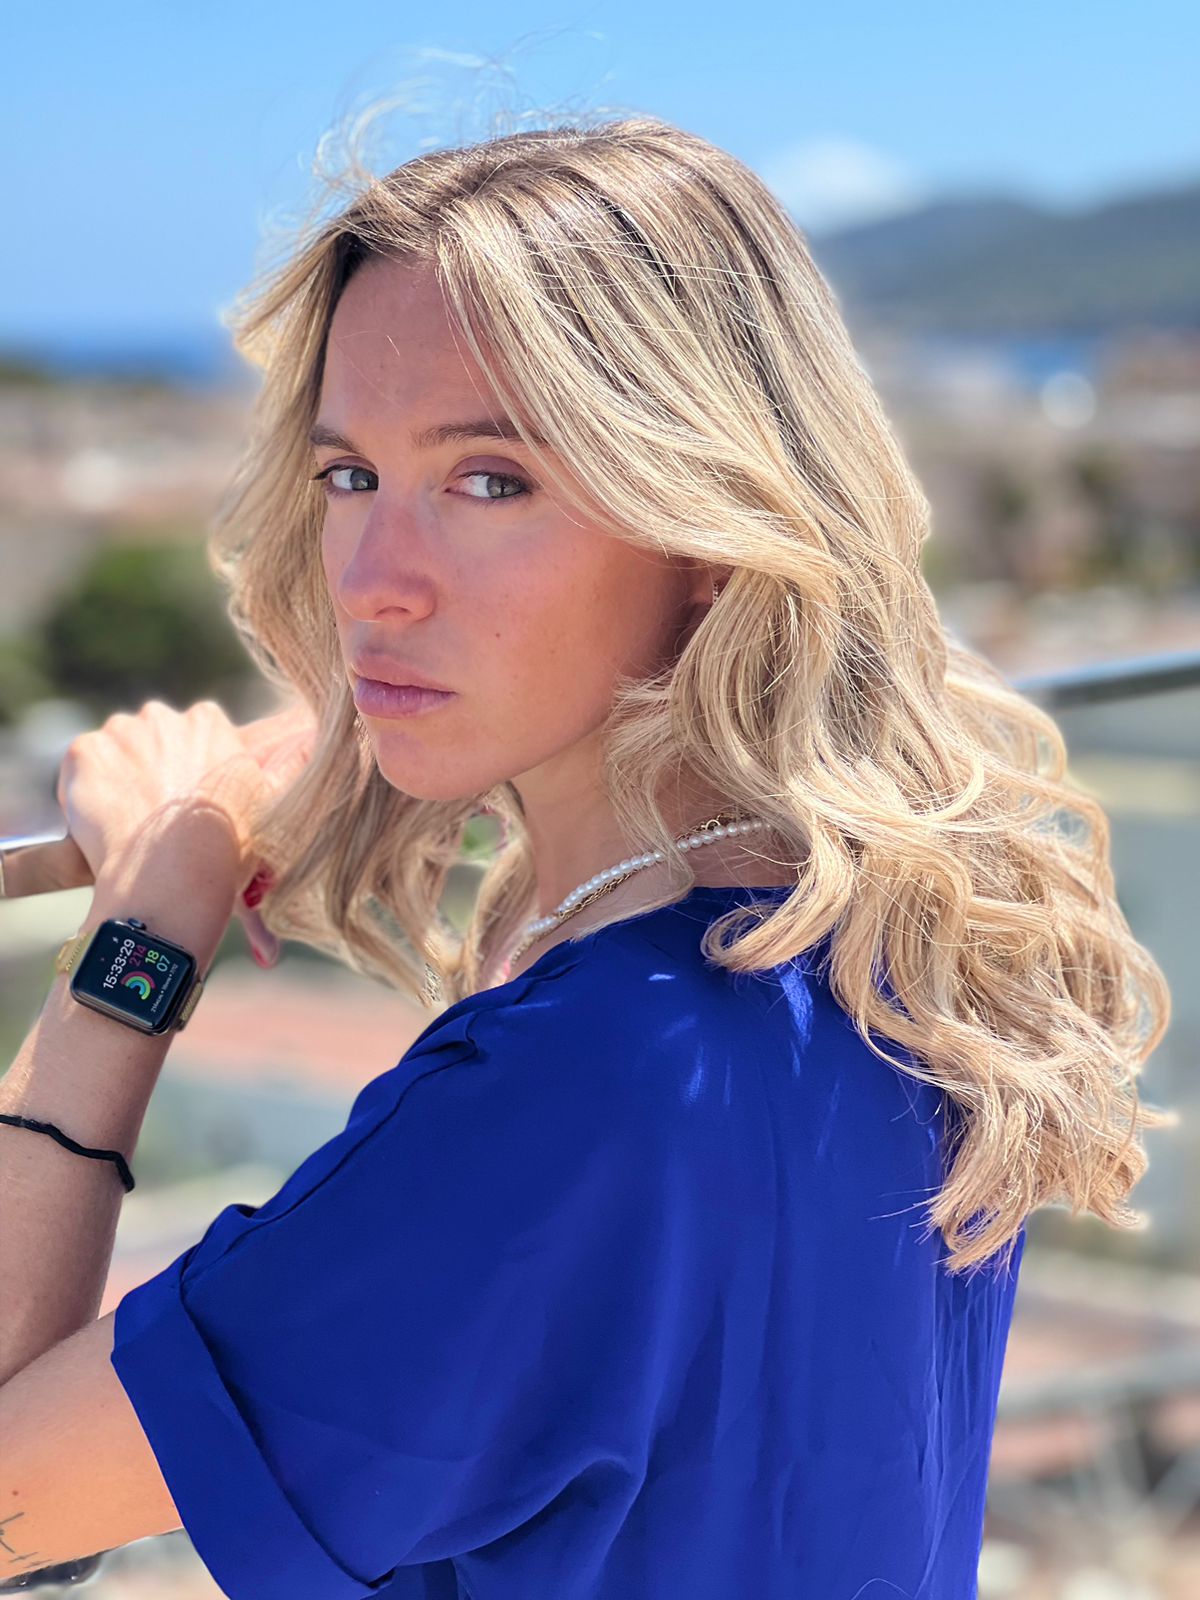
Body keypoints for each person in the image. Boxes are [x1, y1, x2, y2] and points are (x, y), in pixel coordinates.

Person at [0, 114, 1174, 1599]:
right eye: (351, 475)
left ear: (709, 523)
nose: (373, 584)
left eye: (491, 481)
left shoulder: (582, 1089)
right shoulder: (886, 947)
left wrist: (150, 914)